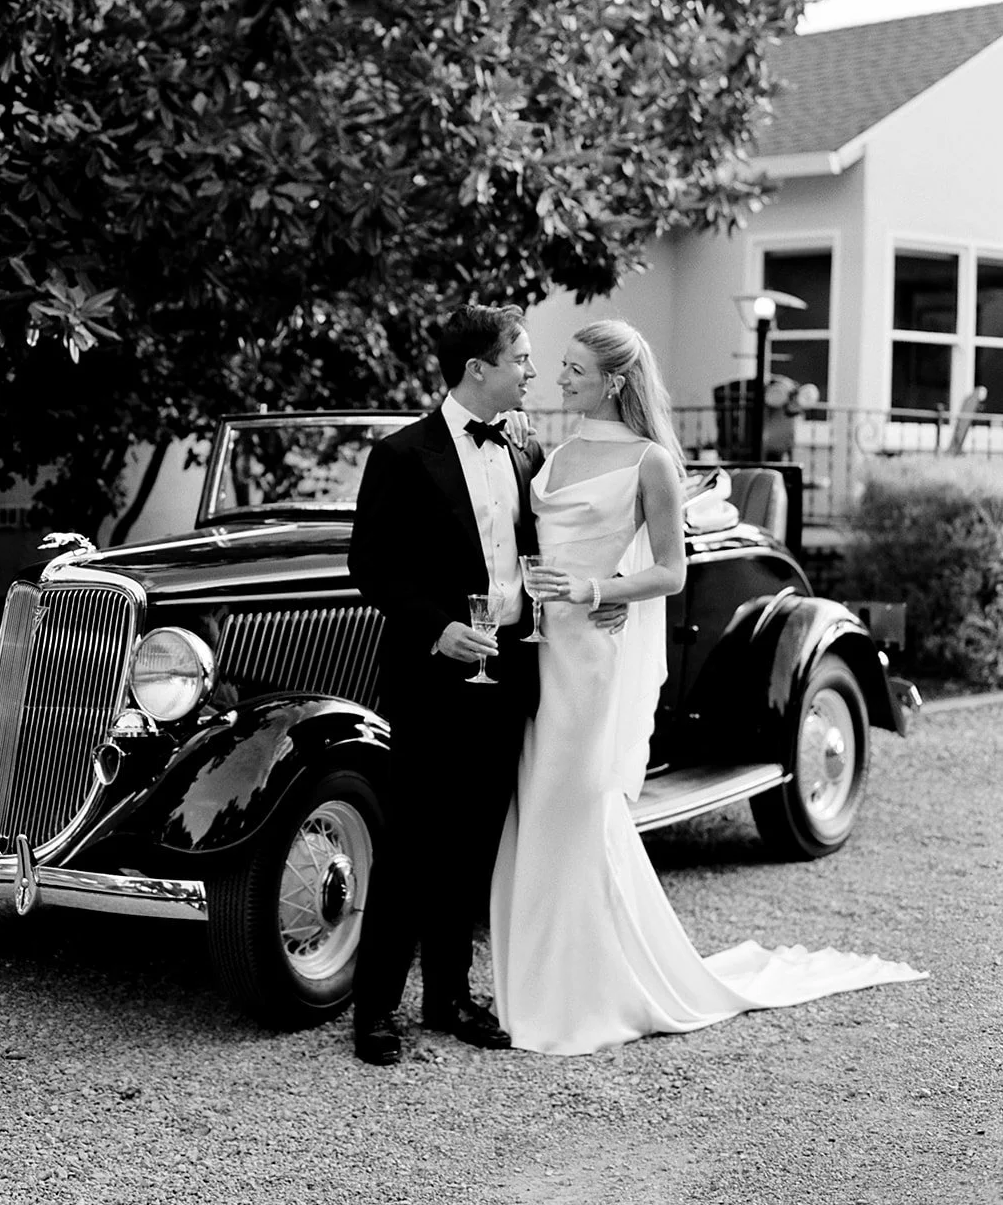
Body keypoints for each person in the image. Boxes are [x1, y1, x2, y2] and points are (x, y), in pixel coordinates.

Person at [490, 318, 926, 1055]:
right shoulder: (554, 454)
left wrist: (597, 590)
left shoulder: (652, 461)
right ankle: (534, 982)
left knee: (578, 803)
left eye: (574, 368)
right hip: (541, 648)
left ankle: (592, 990)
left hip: (591, 652)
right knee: (536, 806)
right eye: (559, 366)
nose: (558, 378)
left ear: (613, 381)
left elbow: (671, 571)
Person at [347, 303, 626, 1067]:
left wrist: (603, 600)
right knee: (411, 842)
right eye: (521, 358)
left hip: (511, 668)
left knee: (474, 843)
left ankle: (449, 998)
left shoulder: (525, 449)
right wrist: (437, 628)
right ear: (479, 368)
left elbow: (564, 542)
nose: (533, 371)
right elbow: (371, 566)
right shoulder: (401, 455)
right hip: (433, 675)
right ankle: (375, 1011)